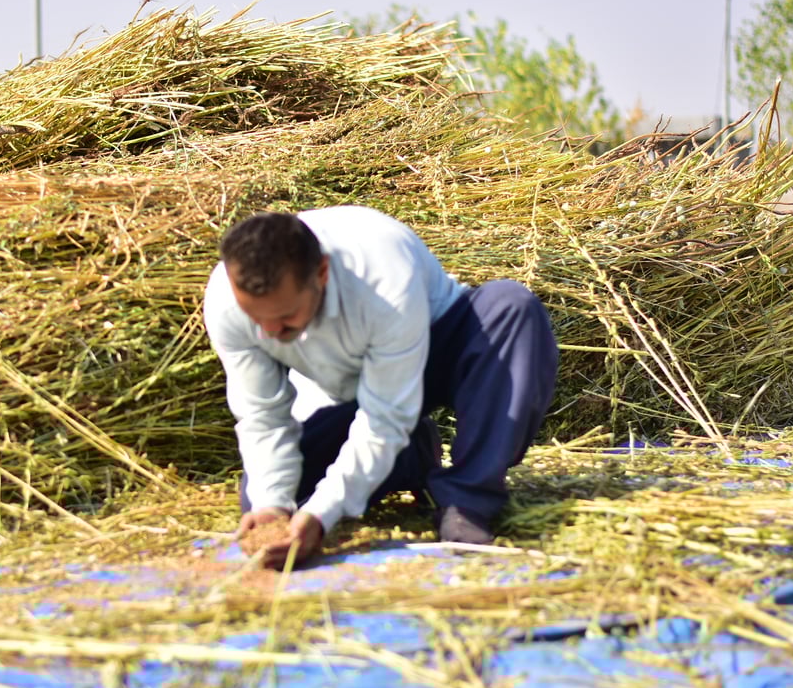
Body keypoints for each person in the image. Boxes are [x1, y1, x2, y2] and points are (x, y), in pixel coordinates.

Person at [203, 205, 558, 570]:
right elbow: (262, 416)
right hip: (352, 395)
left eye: (285, 316)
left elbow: (385, 418)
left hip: (439, 350)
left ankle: (466, 499)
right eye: (256, 318)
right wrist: (273, 506)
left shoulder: (382, 273)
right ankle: (410, 455)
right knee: (263, 496)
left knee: (511, 307)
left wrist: (321, 515)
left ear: (322, 273)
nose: (269, 332)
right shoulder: (225, 303)